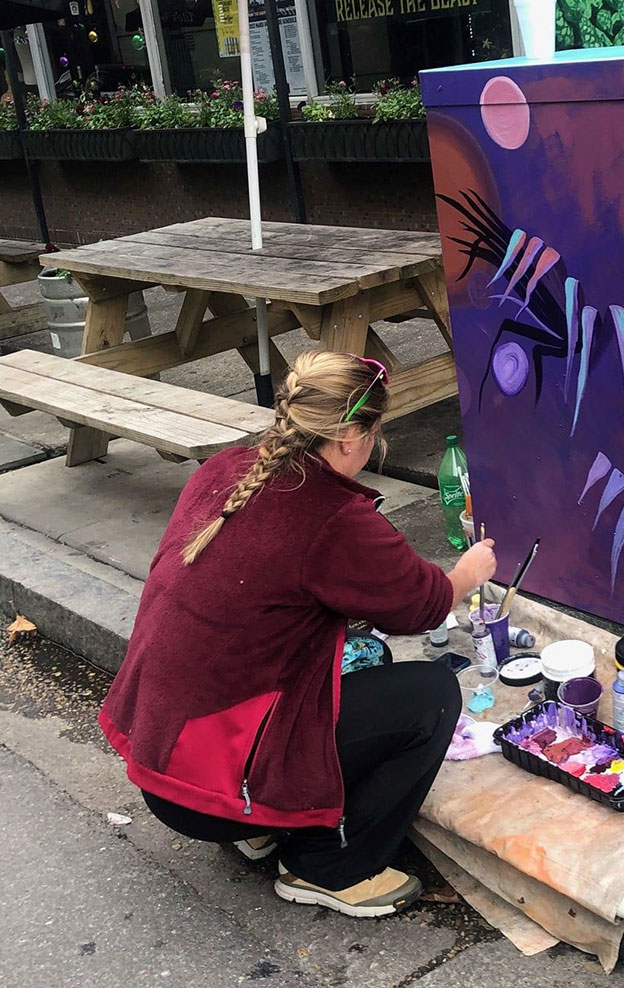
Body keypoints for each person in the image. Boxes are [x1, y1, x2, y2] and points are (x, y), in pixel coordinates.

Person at [98, 351, 497, 918]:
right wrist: (468, 572)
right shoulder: (333, 518)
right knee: (430, 698)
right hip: (205, 789)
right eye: (374, 435)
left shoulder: (228, 467)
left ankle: (257, 826)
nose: (373, 446)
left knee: (366, 656)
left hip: (159, 755)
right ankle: (326, 865)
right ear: (348, 436)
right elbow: (421, 605)